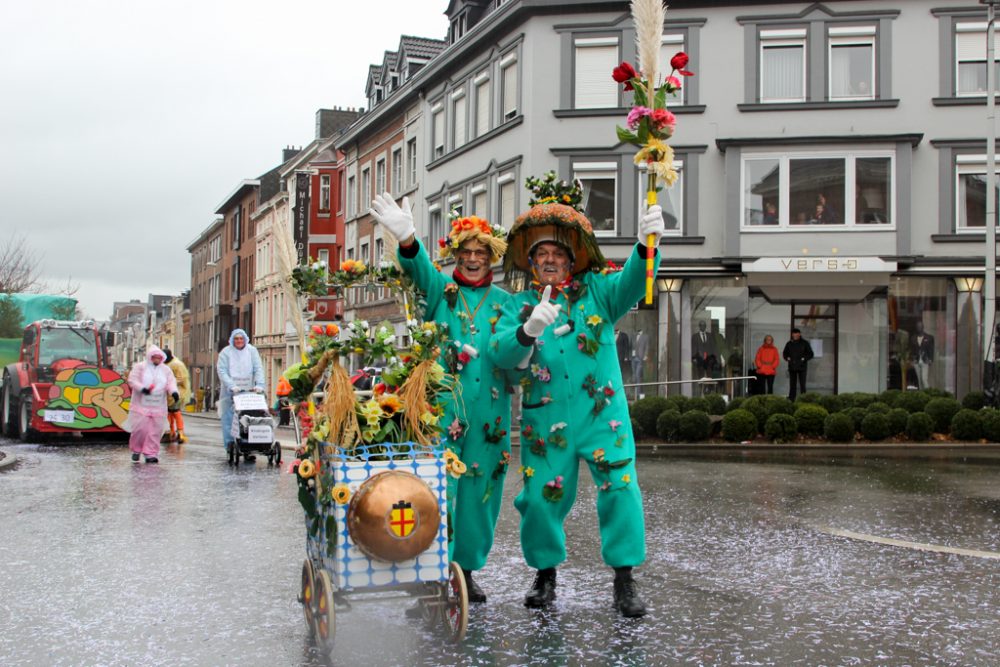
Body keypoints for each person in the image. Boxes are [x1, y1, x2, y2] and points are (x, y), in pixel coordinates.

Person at [490, 191, 665, 618]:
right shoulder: (518, 305)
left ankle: (625, 580)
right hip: (545, 419)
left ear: (572, 261)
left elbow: (633, 282)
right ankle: (545, 575)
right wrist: (528, 331)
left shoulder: (599, 293)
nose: (550, 260)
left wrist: (646, 246)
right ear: (532, 263)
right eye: (541, 254)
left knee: (621, 491)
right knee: (538, 499)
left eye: (558, 254)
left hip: (602, 415)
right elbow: (499, 355)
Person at [369, 192, 511, 604]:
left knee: (480, 494)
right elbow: (420, 270)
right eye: (465, 251)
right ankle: (432, 569)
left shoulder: (506, 303)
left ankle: (465, 570)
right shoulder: (441, 292)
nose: (472, 258)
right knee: (437, 491)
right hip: (440, 410)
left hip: (491, 416)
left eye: (480, 253)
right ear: (456, 255)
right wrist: (409, 239)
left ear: (491, 257)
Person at [124, 345, 178, 464]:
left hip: (158, 407)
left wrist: (174, 392)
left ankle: (151, 453)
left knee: (155, 431)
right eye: (154, 357)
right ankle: (136, 450)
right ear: (150, 357)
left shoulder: (165, 370)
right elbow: (132, 380)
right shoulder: (140, 367)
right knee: (140, 429)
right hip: (141, 406)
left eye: (159, 358)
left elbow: (170, 382)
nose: (157, 360)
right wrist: (142, 389)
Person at [217, 328, 265, 459]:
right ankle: (230, 446)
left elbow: (258, 368)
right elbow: (222, 371)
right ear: (232, 340)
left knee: (248, 419)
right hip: (230, 393)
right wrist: (231, 385)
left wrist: (259, 385)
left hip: (248, 393)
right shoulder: (225, 353)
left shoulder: (252, 351)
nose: (239, 341)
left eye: (241, 339)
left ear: (245, 339)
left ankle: (247, 447)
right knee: (229, 419)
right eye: (236, 339)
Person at [162, 348, 190, 443]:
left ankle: (180, 432)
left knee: (175, 411)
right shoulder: (165, 364)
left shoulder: (177, 364)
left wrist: (167, 384)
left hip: (178, 392)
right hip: (168, 393)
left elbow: (181, 378)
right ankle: (172, 431)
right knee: (169, 412)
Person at [783, 328, 814, 400]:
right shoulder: (789, 343)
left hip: (802, 367)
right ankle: (791, 398)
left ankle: (804, 399)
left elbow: (811, 354)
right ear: (792, 334)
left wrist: (804, 358)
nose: (795, 335)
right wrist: (787, 358)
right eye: (794, 333)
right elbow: (785, 353)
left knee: (802, 384)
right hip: (792, 367)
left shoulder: (805, 343)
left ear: (799, 334)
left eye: (797, 333)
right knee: (792, 384)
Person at [911, 321, 934, 390]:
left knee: (924, 379)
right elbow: (912, 350)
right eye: (918, 326)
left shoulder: (929, 338)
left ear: (923, 327)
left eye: (920, 326)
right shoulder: (913, 338)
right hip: (917, 361)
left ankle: (928, 393)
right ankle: (922, 395)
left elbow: (931, 349)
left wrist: (930, 359)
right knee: (919, 380)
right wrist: (913, 359)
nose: (919, 328)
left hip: (925, 360)